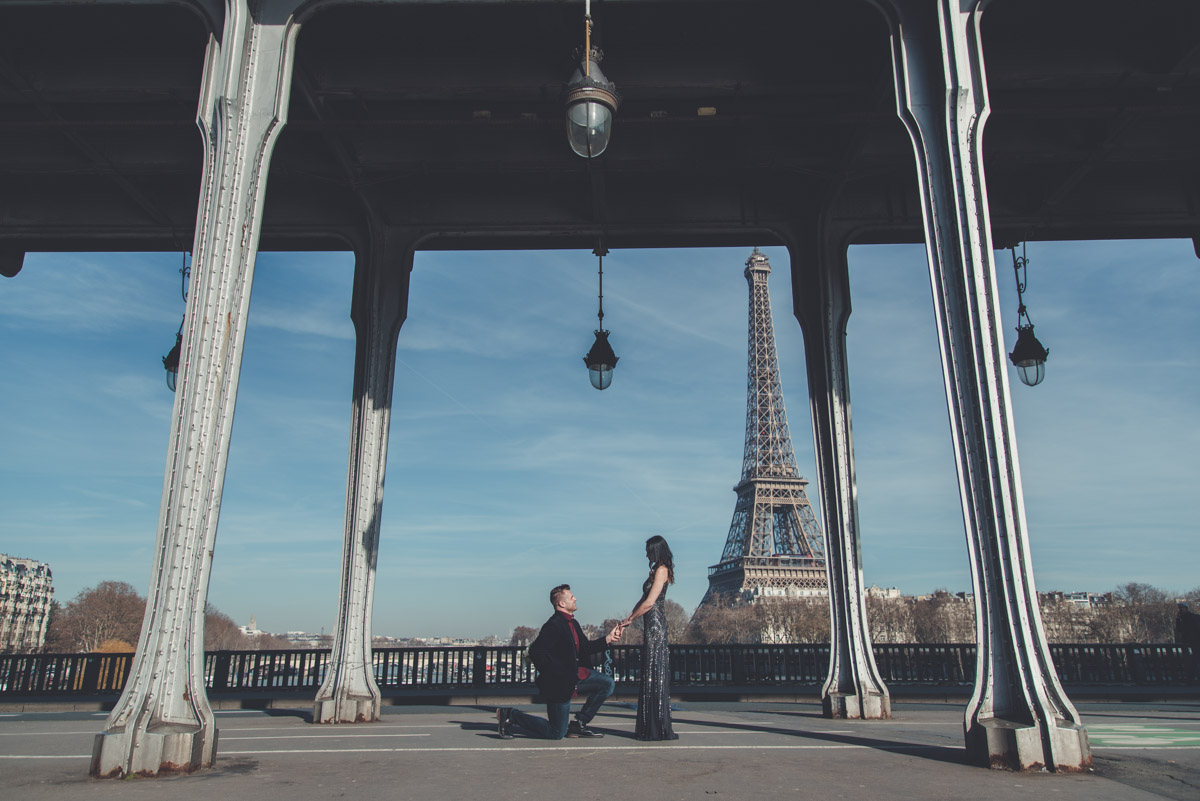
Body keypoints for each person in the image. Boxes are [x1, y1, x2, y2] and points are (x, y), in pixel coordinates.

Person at [496, 584, 623, 739]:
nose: (575, 598)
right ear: (562, 603)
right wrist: (559, 673)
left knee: (607, 683)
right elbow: (536, 652)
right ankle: (510, 715)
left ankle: (579, 724)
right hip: (559, 685)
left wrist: (608, 639)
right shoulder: (553, 625)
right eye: (571, 597)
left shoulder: (573, 623)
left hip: (575, 676)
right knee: (556, 733)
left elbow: (585, 648)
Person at [621, 535, 679, 741]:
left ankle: (655, 726)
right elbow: (642, 601)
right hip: (651, 624)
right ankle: (653, 724)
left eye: (648, 550)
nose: (645, 553)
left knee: (654, 671)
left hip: (655, 626)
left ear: (655, 550)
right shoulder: (657, 570)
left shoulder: (662, 570)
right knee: (652, 672)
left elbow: (649, 603)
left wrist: (630, 619)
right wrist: (627, 619)